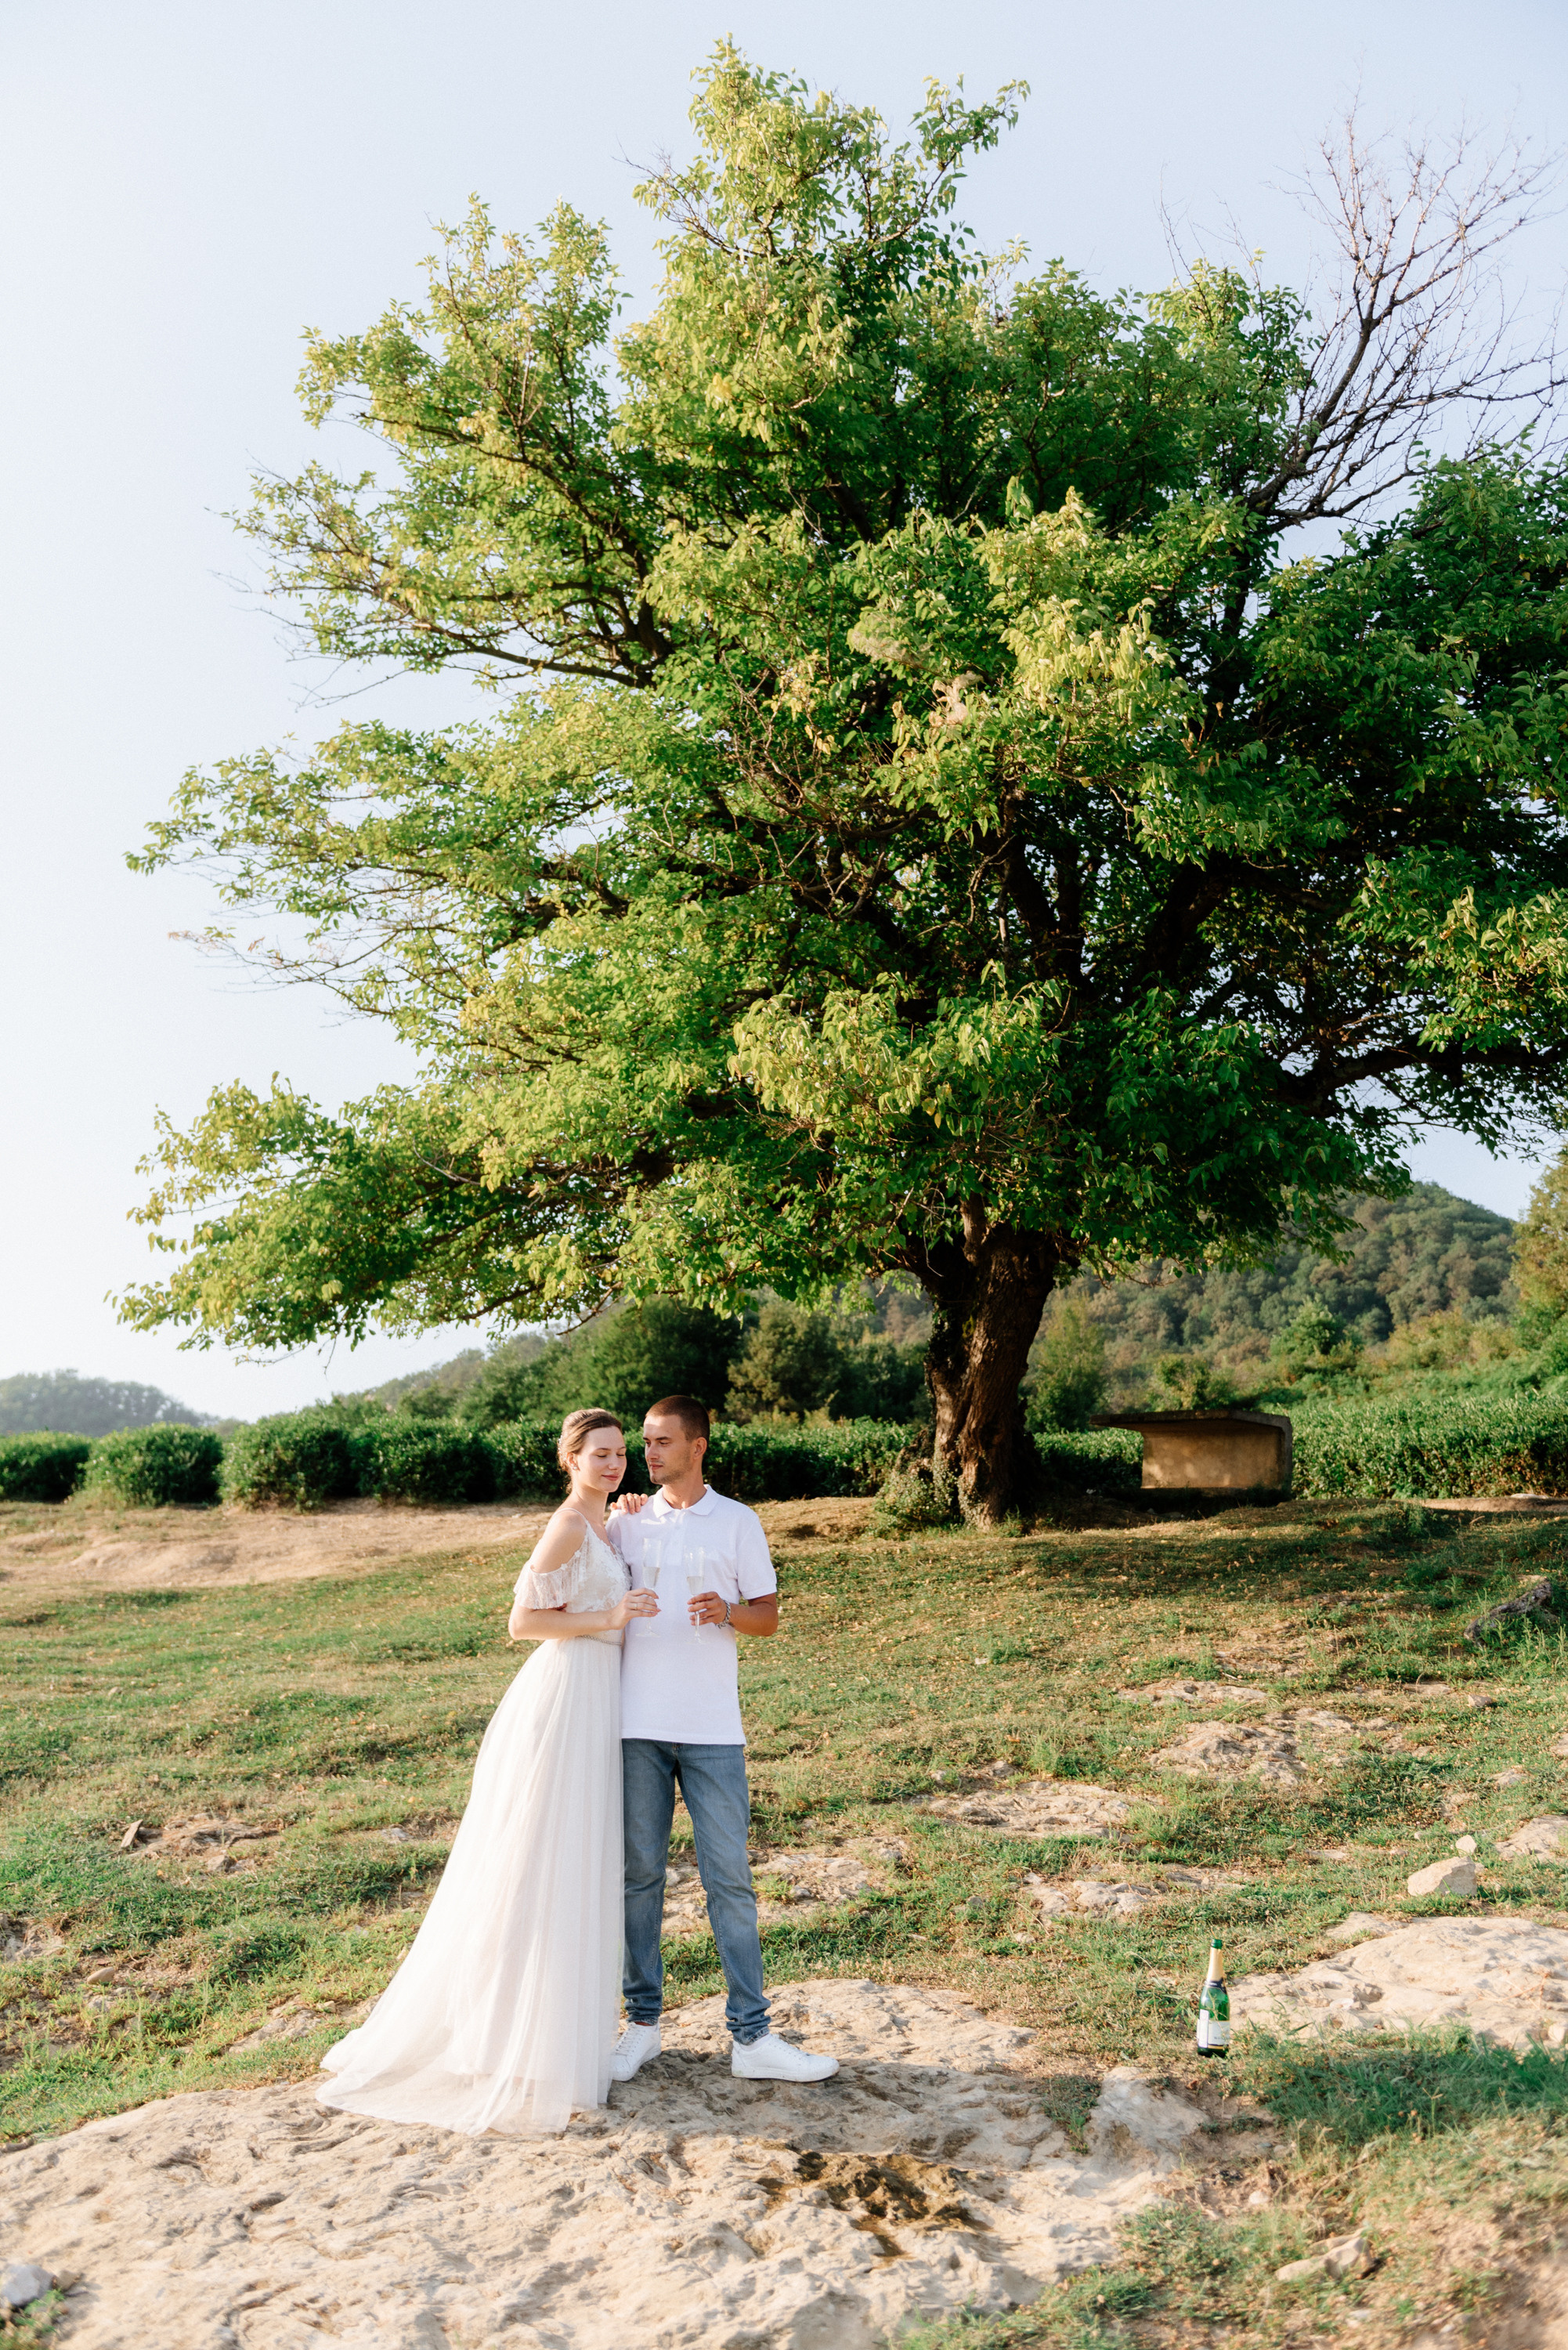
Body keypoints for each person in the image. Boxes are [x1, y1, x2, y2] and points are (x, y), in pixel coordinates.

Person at [316, 1408, 657, 2134]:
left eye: (621, 1454)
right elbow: (523, 1624)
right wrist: (610, 1617)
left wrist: (629, 1521)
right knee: (532, 1860)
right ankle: (496, 2038)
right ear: (571, 1460)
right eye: (600, 1454)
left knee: (572, 1864)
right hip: (565, 1695)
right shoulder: (567, 1524)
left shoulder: (607, 1524)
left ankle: (550, 2035)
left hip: (601, 1700)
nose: (613, 1463)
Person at [608, 1394, 839, 2085]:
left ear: (698, 1446)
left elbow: (768, 1617)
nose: (647, 1454)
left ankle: (752, 2037)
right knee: (640, 1879)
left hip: (711, 1732)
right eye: (645, 1442)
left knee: (729, 1883)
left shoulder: (739, 1522)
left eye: (661, 1442)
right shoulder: (626, 1524)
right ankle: (641, 2026)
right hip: (636, 1729)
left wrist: (729, 1611)